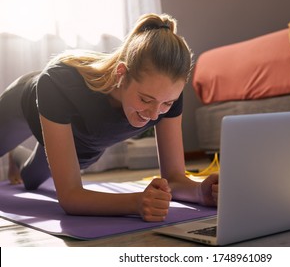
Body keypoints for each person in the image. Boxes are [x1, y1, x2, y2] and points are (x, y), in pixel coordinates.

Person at [0, 13, 219, 222]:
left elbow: (173, 178)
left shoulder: (166, 95)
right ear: (121, 74)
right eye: (145, 100)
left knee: (30, 180)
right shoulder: (59, 83)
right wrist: (135, 203)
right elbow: (70, 197)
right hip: (25, 104)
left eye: (167, 103)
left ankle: (17, 156)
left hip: (82, 145)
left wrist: (201, 192)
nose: (154, 115)